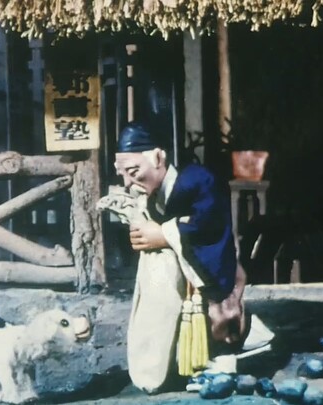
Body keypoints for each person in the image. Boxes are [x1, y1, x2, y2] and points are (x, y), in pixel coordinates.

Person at [108, 122, 270, 394]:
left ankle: (226, 358)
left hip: (208, 270)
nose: (127, 181)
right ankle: (181, 362)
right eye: (122, 173)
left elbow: (208, 225)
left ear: (158, 159)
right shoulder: (152, 191)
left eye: (133, 171)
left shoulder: (198, 180)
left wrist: (163, 234)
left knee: (219, 317)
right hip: (181, 272)